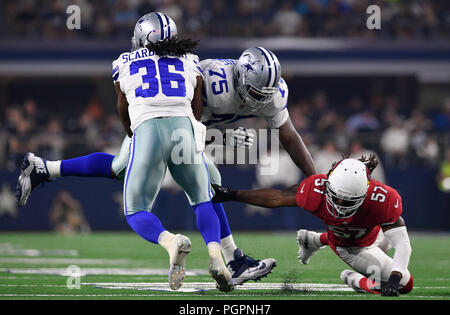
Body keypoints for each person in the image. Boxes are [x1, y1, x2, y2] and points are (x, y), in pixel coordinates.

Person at [16, 27, 316, 286]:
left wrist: (313, 177)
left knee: (123, 167)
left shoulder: (271, 91)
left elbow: (288, 134)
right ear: (239, 77)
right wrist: (200, 142)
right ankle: (234, 260)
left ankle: (45, 168)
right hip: (176, 121)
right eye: (254, 92)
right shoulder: (212, 79)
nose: (259, 100)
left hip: (163, 123)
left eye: (265, 94)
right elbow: (194, 112)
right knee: (207, 184)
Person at [211, 155, 414, 296]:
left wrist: (394, 279)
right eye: (337, 198)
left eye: (348, 201)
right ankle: (353, 277)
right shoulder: (316, 188)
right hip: (351, 246)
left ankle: (316, 240)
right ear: (329, 185)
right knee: (408, 285)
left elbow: (402, 242)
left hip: (374, 234)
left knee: (400, 280)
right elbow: (277, 198)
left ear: (365, 192)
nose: (340, 206)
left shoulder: (382, 199)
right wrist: (232, 195)